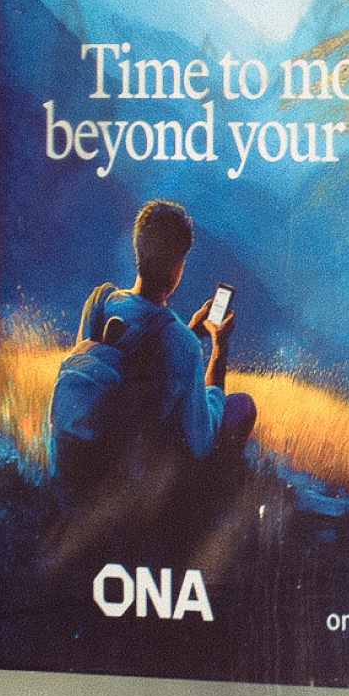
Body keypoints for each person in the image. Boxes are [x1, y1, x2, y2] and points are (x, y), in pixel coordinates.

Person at [75, 201, 256, 520]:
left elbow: (125, 366)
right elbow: (202, 441)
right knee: (241, 406)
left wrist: (187, 332)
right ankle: (206, 520)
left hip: (94, 466)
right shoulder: (181, 344)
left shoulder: (99, 304)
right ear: (177, 269)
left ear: (138, 251)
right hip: (146, 490)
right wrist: (218, 348)